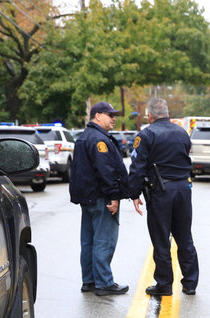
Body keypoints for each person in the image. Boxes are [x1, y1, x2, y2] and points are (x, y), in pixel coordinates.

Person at [128, 98, 199, 296]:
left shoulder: (147, 134)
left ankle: (164, 284)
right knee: (184, 236)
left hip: (161, 191)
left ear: (150, 116)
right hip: (184, 189)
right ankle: (191, 283)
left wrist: (133, 193)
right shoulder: (182, 133)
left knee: (161, 239)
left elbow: (137, 167)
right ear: (167, 113)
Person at [69, 101, 129, 296]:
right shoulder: (99, 140)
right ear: (97, 116)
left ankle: (89, 280)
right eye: (110, 115)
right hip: (101, 197)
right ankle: (104, 282)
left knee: (88, 241)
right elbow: (106, 171)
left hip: (87, 198)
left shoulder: (84, 137)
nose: (114, 118)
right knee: (104, 240)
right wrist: (113, 196)